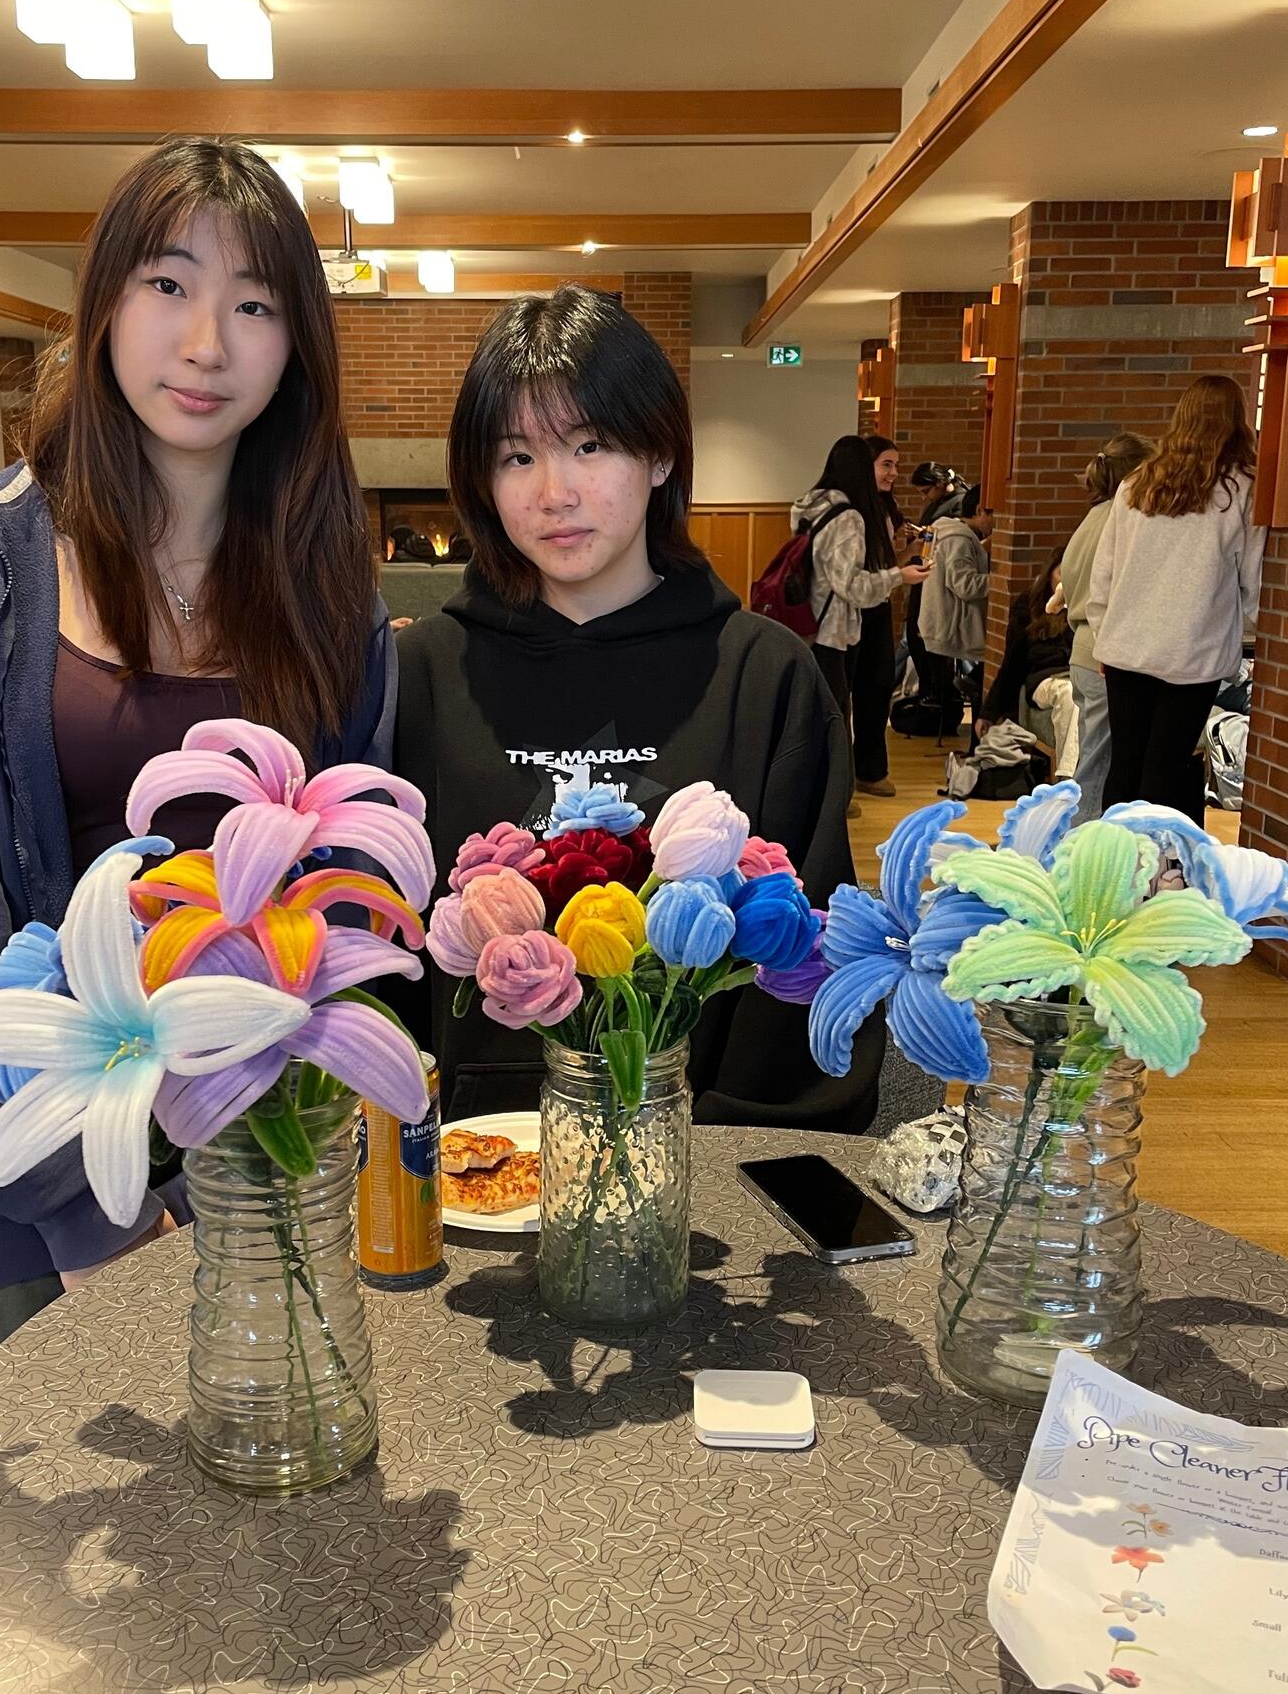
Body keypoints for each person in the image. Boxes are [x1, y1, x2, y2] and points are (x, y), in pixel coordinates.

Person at [0, 137, 393, 1440]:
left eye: (255, 304)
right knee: (18, 1627)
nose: (206, 341)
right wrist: (90, 1209)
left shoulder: (333, 604)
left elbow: (343, 901)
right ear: (101, 307)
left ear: (296, 345)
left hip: (249, 1189)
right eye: (167, 284)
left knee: (261, 1582)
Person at [393, 284, 883, 1132]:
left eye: (590, 445)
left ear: (660, 455)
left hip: (692, 1171)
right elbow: (383, 949)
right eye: (516, 457)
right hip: (462, 1169)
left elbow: (802, 955)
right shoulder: (419, 672)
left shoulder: (765, 675)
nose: (554, 492)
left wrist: (727, 1170)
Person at [1088, 375, 1262, 825]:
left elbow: (1104, 570)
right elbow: (1254, 579)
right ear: (1236, 421)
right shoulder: (1242, 489)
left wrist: (1103, 634)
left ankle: (1112, 868)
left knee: (1125, 765)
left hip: (1126, 645)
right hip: (1194, 651)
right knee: (1164, 766)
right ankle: (1159, 876)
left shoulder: (1137, 483)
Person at [793, 435, 929, 797]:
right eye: (886, 465)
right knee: (833, 713)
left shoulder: (811, 506)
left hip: (808, 621)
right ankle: (832, 792)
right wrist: (900, 576)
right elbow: (849, 585)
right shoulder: (848, 516)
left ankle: (831, 788)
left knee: (826, 708)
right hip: (830, 628)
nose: (893, 473)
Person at [1058, 432, 1151, 824]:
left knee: (1093, 764)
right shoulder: (1121, 520)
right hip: (1102, 655)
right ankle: (1076, 858)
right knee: (1096, 773)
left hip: (1083, 650)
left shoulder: (1092, 519)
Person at [977, 549, 1076, 779]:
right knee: (1069, 695)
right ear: (1050, 573)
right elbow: (1012, 662)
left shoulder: (1082, 607)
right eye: (1062, 573)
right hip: (1045, 678)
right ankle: (1066, 778)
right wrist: (989, 711)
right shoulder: (1028, 606)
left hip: (1078, 674)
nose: (1065, 580)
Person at [918, 482, 992, 725]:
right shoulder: (959, 539)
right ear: (981, 510)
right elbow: (965, 585)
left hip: (937, 619)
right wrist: (1001, 582)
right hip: (953, 625)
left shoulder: (944, 531)